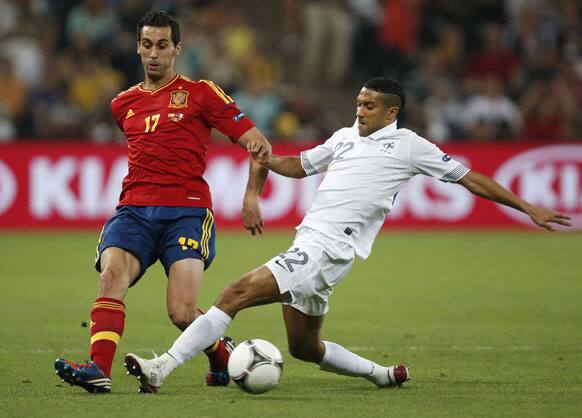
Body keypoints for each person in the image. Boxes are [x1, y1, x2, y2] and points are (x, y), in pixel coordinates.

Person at [123, 77, 571, 393]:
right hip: (312, 246)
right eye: (358, 102)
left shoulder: (412, 146)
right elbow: (299, 166)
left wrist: (528, 207)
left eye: (369, 105)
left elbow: (469, 178)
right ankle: (380, 374)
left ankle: (162, 367)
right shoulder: (343, 138)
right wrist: (263, 164)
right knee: (303, 347)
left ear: (392, 111)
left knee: (233, 294)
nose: (359, 110)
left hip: (328, 248)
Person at [54, 10, 271, 394]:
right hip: (134, 210)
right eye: (147, 45)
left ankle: (221, 354)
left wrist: (251, 195)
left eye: (163, 45)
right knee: (111, 278)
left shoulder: (203, 93)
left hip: (186, 212)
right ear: (138, 47)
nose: (154, 53)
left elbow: (259, 144)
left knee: (183, 313)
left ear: (177, 49)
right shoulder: (122, 104)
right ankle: (97, 368)